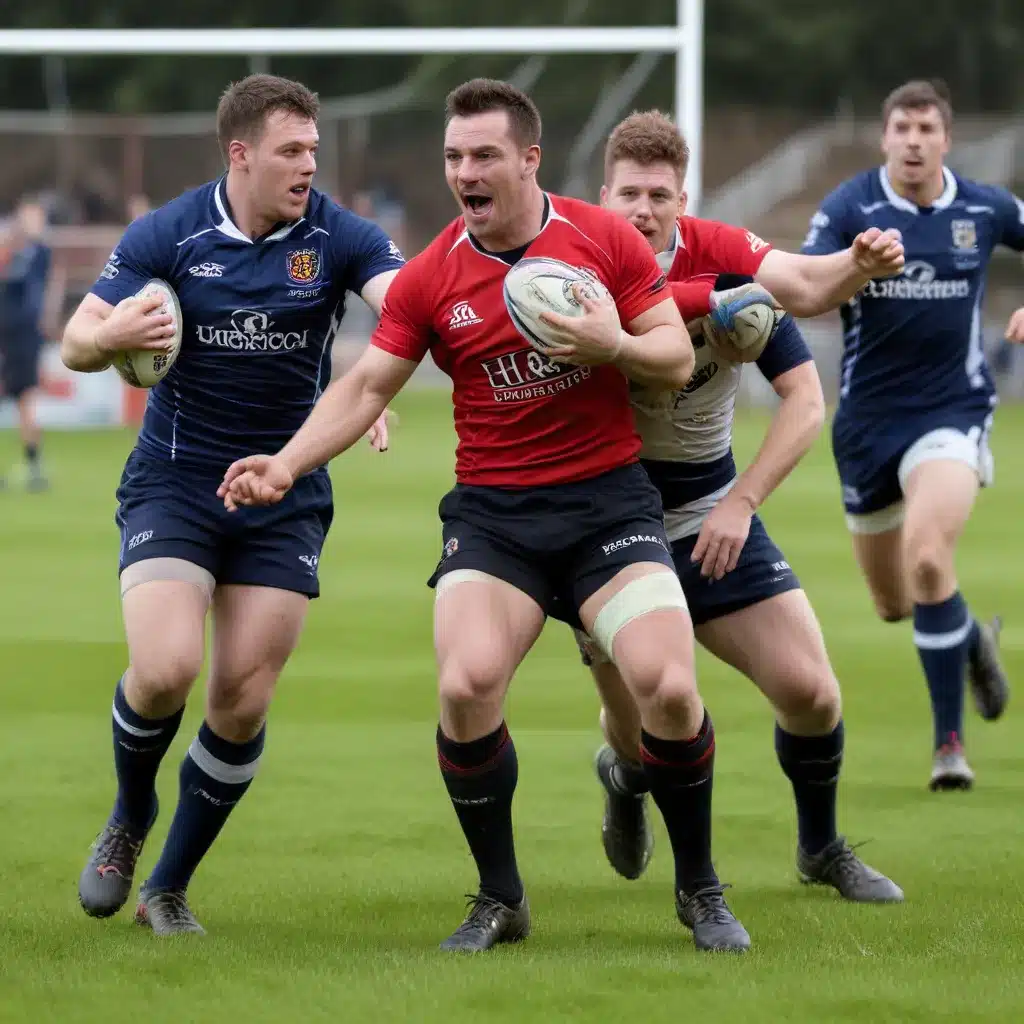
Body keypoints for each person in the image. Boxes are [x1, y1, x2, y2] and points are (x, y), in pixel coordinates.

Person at [221, 76, 786, 954]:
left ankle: (702, 890)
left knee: (670, 688)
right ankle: (500, 899)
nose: (464, 171)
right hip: (496, 520)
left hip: (609, 508)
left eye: (483, 155)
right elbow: (369, 383)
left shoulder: (601, 238)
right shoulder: (434, 272)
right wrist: (287, 463)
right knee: (465, 684)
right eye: (453, 157)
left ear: (529, 160)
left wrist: (613, 346)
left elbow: (673, 357)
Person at [61, 73, 404, 936]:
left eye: (314, 151)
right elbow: (73, 342)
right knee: (166, 669)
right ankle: (128, 819)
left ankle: (167, 889)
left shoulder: (337, 235)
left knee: (241, 701)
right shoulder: (169, 233)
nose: (308, 167)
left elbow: (407, 310)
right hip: (176, 481)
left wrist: (386, 373)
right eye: (292, 151)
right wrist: (112, 338)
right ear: (241, 153)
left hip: (284, 487)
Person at [572, 110, 904, 905]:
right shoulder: (573, 263)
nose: (643, 210)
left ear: (682, 197)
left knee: (813, 692)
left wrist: (743, 502)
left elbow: (804, 401)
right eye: (629, 194)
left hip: (710, 509)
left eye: (659, 194)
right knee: (642, 730)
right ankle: (623, 776)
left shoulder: (724, 254)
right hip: (610, 524)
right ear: (603, 195)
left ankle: (820, 847)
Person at [801, 79, 1024, 790]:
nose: (915, 140)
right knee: (896, 603)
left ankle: (948, 748)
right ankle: (969, 641)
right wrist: (855, 266)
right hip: (866, 425)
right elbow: (804, 283)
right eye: (903, 127)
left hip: (953, 411)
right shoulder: (850, 208)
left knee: (930, 558)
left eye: (928, 128)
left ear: (946, 140)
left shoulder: (984, 207)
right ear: (884, 137)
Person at [0, 196, 52, 491]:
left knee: (26, 400)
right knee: (25, 402)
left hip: (21, 337)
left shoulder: (36, 253)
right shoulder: (16, 251)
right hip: (9, 336)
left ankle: (34, 467)